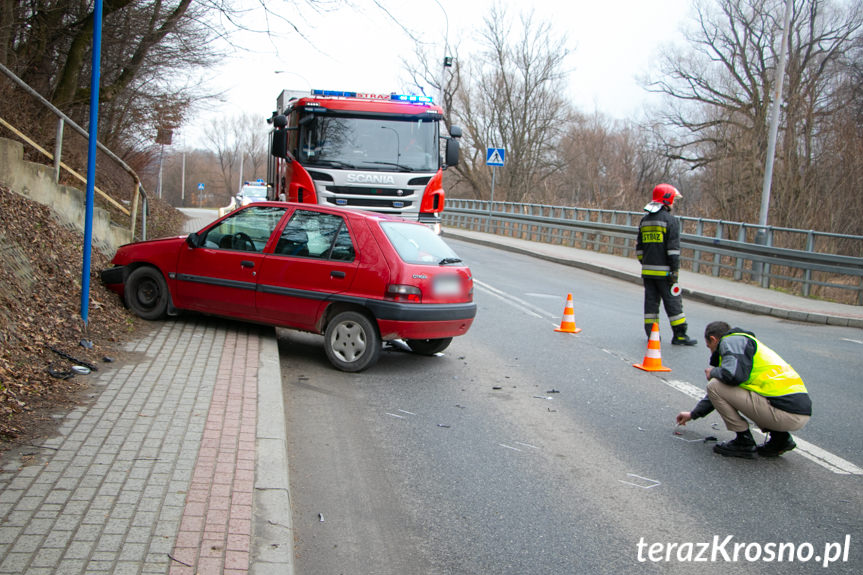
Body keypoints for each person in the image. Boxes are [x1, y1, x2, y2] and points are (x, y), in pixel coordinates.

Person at [676, 321, 812, 459]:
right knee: (723, 387)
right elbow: (726, 391)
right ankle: (780, 440)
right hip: (796, 412)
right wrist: (693, 414)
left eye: (709, 346)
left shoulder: (730, 341)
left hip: (784, 413)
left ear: (713, 339)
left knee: (714, 384)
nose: (711, 351)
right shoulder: (744, 343)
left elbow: (732, 377)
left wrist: (713, 372)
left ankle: (743, 442)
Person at [635, 183, 697, 345]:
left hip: (648, 272)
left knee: (651, 304)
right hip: (665, 273)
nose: (674, 202)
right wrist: (674, 272)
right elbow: (673, 251)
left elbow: (639, 249)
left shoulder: (645, 220)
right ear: (667, 199)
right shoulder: (670, 221)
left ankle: (652, 335)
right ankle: (680, 335)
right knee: (673, 302)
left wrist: (646, 264)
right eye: (673, 199)